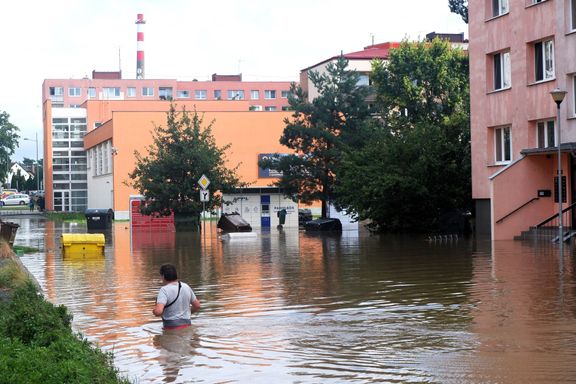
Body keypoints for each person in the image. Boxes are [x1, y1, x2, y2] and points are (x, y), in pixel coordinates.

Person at [153, 264, 201, 330]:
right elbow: (197, 305)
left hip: (171, 328)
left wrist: (154, 311)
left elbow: (158, 311)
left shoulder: (164, 290)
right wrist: (186, 313)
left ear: (163, 276)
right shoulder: (186, 286)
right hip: (187, 325)